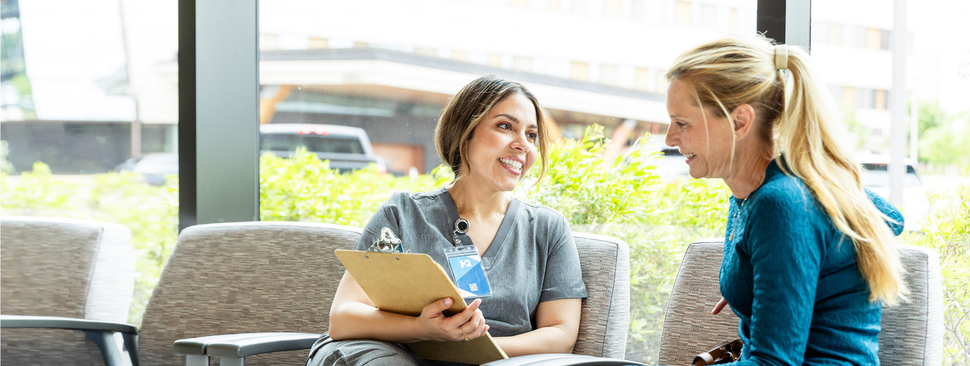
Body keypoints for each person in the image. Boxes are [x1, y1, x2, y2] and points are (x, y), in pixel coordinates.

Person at [306, 75, 588, 366]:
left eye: (531, 135)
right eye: (506, 126)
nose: (523, 145)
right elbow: (343, 318)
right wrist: (423, 330)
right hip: (392, 354)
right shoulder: (402, 214)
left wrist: (472, 345)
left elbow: (561, 334)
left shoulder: (546, 228)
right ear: (464, 130)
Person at [663, 36, 909, 365]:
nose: (669, 138)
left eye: (682, 123)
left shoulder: (781, 202)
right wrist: (770, 274)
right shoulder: (765, 189)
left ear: (739, 122)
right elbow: (891, 218)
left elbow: (773, 363)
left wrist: (784, 258)